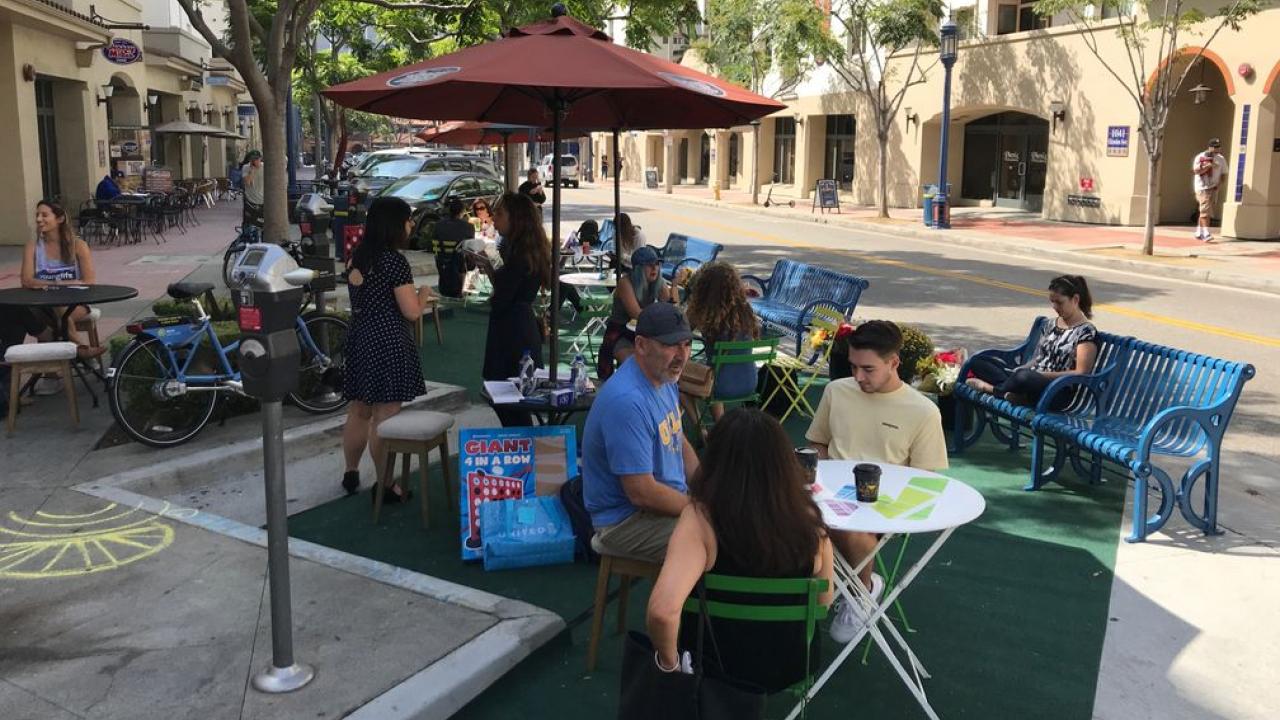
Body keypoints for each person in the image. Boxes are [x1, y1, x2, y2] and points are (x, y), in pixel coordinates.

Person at [647, 408, 833, 692]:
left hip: (713, 664)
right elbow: (823, 600)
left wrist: (669, 668)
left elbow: (663, 611)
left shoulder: (701, 519)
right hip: (791, 663)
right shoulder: (810, 519)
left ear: (716, 461)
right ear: (783, 463)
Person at [805, 320, 949, 644]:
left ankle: (861, 590)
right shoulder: (836, 391)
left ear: (893, 363)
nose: (858, 377)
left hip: (883, 507)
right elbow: (818, 444)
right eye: (853, 367)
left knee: (848, 523)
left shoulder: (923, 411)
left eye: (867, 369)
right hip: (829, 495)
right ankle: (820, 588)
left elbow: (926, 482)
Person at [583, 303, 699, 563]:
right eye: (671, 345)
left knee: (734, 524)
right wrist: (699, 510)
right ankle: (683, 603)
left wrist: (708, 486)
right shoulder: (627, 401)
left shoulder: (664, 378)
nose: (682, 355)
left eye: (687, 344)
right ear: (641, 345)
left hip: (663, 506)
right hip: (623, 522)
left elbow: (679, 441)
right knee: (720, 539)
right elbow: (642, 493)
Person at [339, 196, 433, 501]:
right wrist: (424, 295)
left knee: (359, 410)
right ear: (394, 224)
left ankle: (351, 472)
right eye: (407, 219)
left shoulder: (357, 256)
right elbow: (411, 313)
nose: (410, 225)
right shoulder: (394, 261)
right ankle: (386, 484)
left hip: (359, 336)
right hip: (388, 339)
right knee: (385, 417)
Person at [472, 192, 553, 427]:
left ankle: (524, 450)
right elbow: (511, 288)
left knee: (508, 396)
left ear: (516, 217)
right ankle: (524, 448)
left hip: (513, 331)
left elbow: (503, 297)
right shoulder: (523, 248)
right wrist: (490, 269)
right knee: (512, 398)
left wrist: (494, 279)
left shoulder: (520, 254)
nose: (494, 218)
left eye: (499, 213)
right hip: (519, 325)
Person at [965, 274, 1098, 407]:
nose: (1054, 306)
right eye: (1052, 301)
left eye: (1059, 302)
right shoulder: (1051, 324)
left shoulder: (1085, 332)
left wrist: (1040, 375)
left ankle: (993, 390)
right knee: (978, 361)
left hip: (1056, 389)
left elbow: (1081, 372)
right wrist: (1022, 368)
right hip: (1031, 379)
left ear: (1075, 299)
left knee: (1024, 377)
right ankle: (1014, 393)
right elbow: (1040, 357)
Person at [20, 200, 103, 360]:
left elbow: (89, 281)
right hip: (42, 305)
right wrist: (58, 284)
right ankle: (81, 350)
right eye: (37, 215)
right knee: (26, 310)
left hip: (75, 303)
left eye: (44, 215)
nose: (38, 219)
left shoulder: (78, 245)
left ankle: (65, 351)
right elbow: (27, 281)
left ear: (59, 219)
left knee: (60, 309)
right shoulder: (33, 247)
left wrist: (55, 285)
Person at [681, 262, 759, 425]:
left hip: (718, 385)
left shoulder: (704, 314)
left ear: (704, 288)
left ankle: (701, 428)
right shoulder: (745, 311)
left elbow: (682, 330)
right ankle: (720, 424)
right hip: (750, 382)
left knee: (675, 378)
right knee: (716, 369)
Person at [597, 246, 676, 381]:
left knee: (664, 360)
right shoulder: (625, 283)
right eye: (650, 265)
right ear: (639, 268)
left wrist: (674, 286)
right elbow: (636, 314)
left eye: (657, 264)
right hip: (619, 333)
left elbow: (673, 309)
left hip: (643, 334)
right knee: (635, 364)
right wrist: (660, 316)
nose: (655, 268)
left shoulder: (658, 283)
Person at [432, 198, 473, 298]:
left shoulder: (438, 225)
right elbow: (470, 246)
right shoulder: (468, 226)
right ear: (462, 211)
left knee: (459, 255)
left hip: (441, 259)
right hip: (459, 261)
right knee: (465, 255)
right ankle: (461, 288)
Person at [1192, 138, 1227, 242]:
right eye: (1215, 147)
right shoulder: (1201, 157)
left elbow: (1224, 173)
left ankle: (1199, 231)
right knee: (1205, 211)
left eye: (1218, 146)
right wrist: (1206, 167)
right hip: (1202, 187)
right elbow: (1196, 170)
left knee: (1205, 210)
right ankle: (1206, 233)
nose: (1217, 149)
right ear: (1210, 146)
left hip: (1213, 188)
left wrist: (1219, 185)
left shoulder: (1221, 159)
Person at [241, 150, 264, 228]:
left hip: (262, 200)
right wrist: (252, 170)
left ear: (260, 158)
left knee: (262, 224)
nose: (256, 161)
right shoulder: (246, 168)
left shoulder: (265, 167)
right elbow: (247, 182)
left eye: (257, 159)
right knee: (249, 224)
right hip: (250, 201)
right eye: (253, 160)